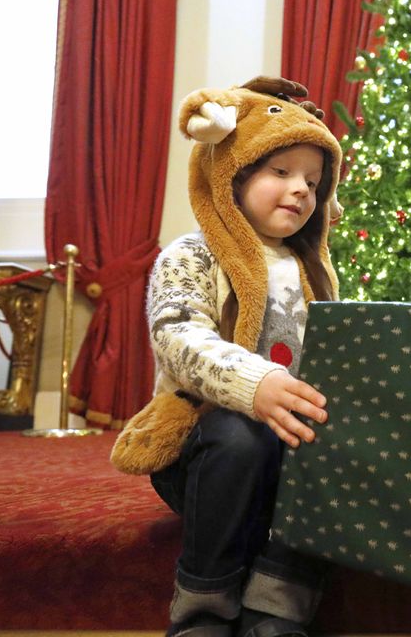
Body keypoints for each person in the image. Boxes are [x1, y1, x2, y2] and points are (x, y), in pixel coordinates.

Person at [110, 76, 344, 637]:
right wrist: (254, 384)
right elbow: (178, 337)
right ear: (232, 175)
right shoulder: (191, 254)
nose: (300, 191)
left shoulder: (313, 267)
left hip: (289, 451)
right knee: (242, 434)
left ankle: (280, 605)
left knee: (332, 443)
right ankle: (204, 609)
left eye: (312, 181)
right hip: (204, 450)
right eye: (280, 172)